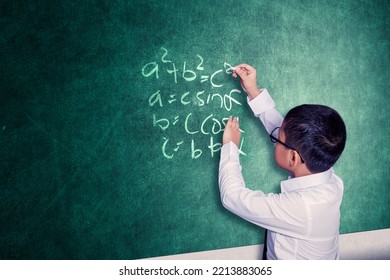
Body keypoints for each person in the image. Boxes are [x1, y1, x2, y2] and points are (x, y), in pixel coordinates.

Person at [219, 64, 347, 260]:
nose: (275, 135)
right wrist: (254, 92)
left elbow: (232, 196)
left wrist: (230, 147)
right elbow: (291, 136)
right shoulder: (327, 173)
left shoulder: (302, 208)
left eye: (277, 137)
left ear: (294, 157)